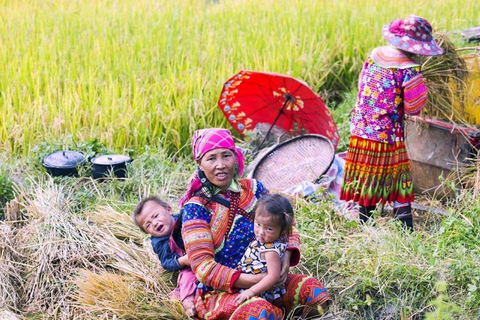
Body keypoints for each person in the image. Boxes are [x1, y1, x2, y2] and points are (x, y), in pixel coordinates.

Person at [179, 128, 331, 320]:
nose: (220, 165)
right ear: (199, 164)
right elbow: (203, 267)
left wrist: (285, 259)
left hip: (270, 282)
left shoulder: (254, 188)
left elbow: (286, 224)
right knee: (259, 313)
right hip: (221, 291)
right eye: (211, 159)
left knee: (314, 293)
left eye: (226, 156)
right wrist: (255, 281)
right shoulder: (196, 208)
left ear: (235, 157)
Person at [340, 14, 443, 230]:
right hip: (387, 135)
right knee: (398, 177)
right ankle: (405, 227)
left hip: (361, 129)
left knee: (367, 175)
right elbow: (414, 107)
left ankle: (365, 223)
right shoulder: (410, 70)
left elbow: (362, 87)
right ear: (416, 48)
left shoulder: (374, 55)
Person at [132, 196, 197, 317]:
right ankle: (188, 303)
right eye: (148, 225)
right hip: (188, 263)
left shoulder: (185, 217)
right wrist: (182, 261)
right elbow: (166, 262)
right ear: (148, 232)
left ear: (169, 210)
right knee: (186, 280)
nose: (155, 223)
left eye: (156, 216)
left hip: (202, 248)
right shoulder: (159, 242)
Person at [235, 193, 294, 305]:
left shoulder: (270, 250)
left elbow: (273, 276)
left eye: (269, 229)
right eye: (258, 224)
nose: (261, 232)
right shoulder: (274, 240)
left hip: (258, 290)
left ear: (282, 229)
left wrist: (251, 291)